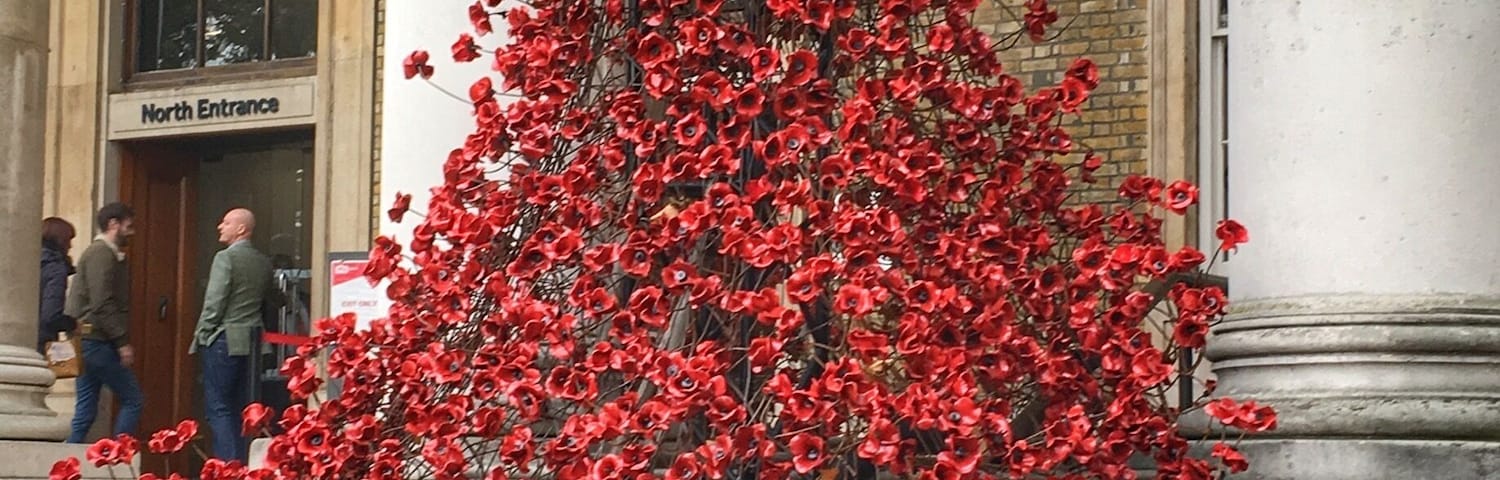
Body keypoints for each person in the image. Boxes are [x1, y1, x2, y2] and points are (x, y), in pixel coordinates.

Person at [191, 208, 274, 461]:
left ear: (241, 229)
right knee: (245, 409)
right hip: (253, 342)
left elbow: (214, 302)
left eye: (226, 222)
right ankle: (245, 464)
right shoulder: (263, 261)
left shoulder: (224, 258)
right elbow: (271, 301)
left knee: (218, 408)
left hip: (224, 338)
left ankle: (228, 468)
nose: (219, 226)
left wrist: (202, 335)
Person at [65, 202, 143, 443]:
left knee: (86, 409)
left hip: (86, 339)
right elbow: (102, 301)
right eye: (129, 226)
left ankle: (65, 460)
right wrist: (122, 342)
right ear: (113, 224)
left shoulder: (100, 253)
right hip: (97, 341)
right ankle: (118, 457)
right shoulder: (102, 254)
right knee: (133, 398)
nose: (132, 232)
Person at [39, 217, 78, 353]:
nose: (71, 246)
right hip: (40, 343)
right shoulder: (55, 268)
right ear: (61, 240)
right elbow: (51, 316)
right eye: (69, 240)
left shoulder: (28, 261)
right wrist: (73, 324)